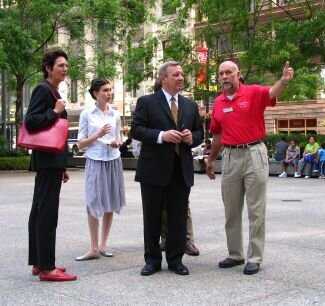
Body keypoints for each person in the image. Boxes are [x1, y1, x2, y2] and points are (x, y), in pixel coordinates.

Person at [205, 60, 294, 275]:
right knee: (231, 209)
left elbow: (273, 92)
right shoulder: (217, 103)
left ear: (238, 74)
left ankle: (255, 257)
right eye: (221, 73)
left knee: (256, 209)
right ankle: (235, 254)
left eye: (229, 72)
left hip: (254, 153)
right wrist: (211, 159)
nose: (224, 76)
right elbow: (217, 135)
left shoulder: (253, 92)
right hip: (230, 156)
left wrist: (283, 80)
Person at [131, 61, 204, 276]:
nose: (181, 78)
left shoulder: (190, 105)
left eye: (182, 74)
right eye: (176, 75)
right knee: (152, 217)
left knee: (178, 218)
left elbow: (200, 133)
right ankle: (152, 260)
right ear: (164, 79)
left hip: (181, 171)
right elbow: (136, 130)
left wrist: (193, 138)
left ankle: (175, 260)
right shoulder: (147, 102)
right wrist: (162, 136)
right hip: (153, 170)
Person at [26, 49, 77, 281]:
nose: (65, 69)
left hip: (51, 161)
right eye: (60, 65)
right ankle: (47, 268)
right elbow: (32, 121)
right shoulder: (43, 89)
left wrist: (62, 164)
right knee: (46, 213)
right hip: (47, 161)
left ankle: (39, 261)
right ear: (48, 68)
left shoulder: (52, 90)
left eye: (66, 66)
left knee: (40, 210)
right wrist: (55, 112)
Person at [75, 79, 126, 261]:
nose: (109, 93)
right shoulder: (87, 114)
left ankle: (103, 245)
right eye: (105, 90)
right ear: (95, 93)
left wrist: (117, 142)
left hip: (113, 159)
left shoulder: (115, 114)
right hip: (95, 160)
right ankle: (93, 247)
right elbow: (80, 144)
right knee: (93, 201)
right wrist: (98, 134)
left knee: (110, 201)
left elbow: (119, 138)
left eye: (110, 90)